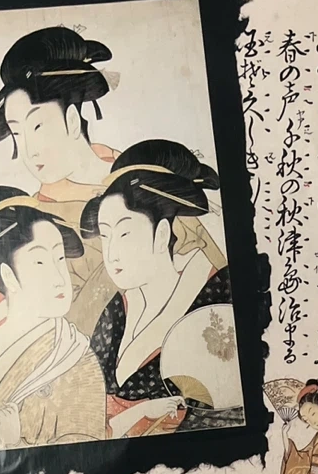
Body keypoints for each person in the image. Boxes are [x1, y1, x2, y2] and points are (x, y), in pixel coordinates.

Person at [81, 140, 240, 439]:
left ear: (162, 233)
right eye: (105, 236)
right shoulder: (116, 310)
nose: (111, 254)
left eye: (125, 234)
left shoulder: (215, 294)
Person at [0, 26, 120, 339]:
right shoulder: (39, 221)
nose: (29, 150)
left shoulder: (134, 172)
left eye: (38, 126)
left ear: (72, 120)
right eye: (17, 133)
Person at [0, 186, 106, 450]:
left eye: (59, 258)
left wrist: (14, 443)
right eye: (40, 263)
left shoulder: (75, 359)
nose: (60, 278)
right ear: (8, 276)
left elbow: (88, 456)